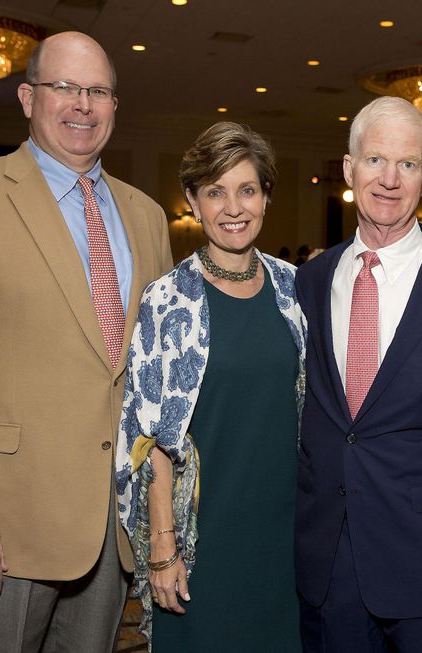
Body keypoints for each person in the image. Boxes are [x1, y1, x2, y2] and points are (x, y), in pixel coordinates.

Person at [0, 32, 173, 651]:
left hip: (111, 527)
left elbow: (151, 375)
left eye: (98, 91)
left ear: (115, 106)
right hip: (3, 525)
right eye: (64, 87)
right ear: (27, 98)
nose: (82, 104)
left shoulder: (147, 216)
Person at [294, 96, 422, 652]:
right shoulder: (309, 281)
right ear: (349, 169)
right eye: (375, 160)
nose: (389, 179)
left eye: (407, 164)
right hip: (329, 559)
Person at [115, 122, 306, 651]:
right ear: (193, 202)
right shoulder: (166, 299)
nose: (233, 208)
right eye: (215, 192)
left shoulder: (296, 289)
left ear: (266, 197)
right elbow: (149, 438)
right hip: (201, 537)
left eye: (247, 190)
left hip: (286, 534)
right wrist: (163, 547)